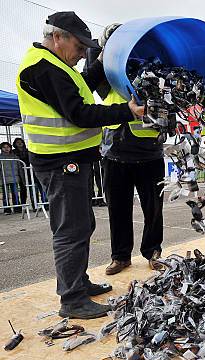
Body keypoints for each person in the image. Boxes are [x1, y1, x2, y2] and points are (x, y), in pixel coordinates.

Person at [16, 11, 144, 319]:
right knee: (71, 229)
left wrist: (105, 58)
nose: (82, 53)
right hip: (60, 162)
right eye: (79, 46)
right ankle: (71, 299)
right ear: (58, 37)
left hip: (73, 159)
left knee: (83, 223)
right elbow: (81, 113)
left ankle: (79, 282)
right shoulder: (43, 68)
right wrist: (127, 112)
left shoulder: (60, 66)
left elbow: (83, 87)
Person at [83, 23, 166, 276]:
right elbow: (86, 82)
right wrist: (103, 50)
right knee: (117, 208)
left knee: (153, 208)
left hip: (149, 150)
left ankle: (153, 251)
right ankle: (120, 256)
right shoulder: (108, 70)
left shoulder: (148, 65)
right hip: (115, 149)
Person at [0, 142, 20, 214]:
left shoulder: (15, 157)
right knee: (6, 194)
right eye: (4, 147)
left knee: (15, 193)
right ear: (1, 148)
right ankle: (7, 209)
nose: (6, 149)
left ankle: (17, 208)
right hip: (4, 178)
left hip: (14, 178)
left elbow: (19, 167)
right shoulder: (0, 157)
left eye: (8, 147)